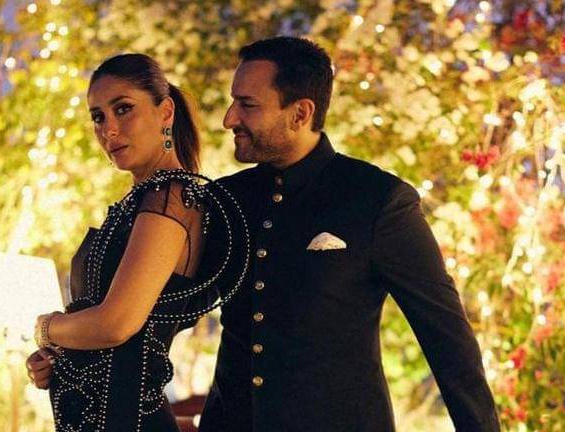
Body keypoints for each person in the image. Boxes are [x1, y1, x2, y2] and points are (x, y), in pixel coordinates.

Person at [197, 37, 501, 432]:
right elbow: (172, 307)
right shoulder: (225, 199)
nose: (229, 119)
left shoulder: (377, 199)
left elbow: (447, 339)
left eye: (247, 105)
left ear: (300, 113)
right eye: (233, 102)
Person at [25, 53, 248, 432]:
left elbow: (116, 323)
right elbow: (106, 330)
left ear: (165, 112)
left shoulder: (171, 198)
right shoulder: (142, 202)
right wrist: (58, 356)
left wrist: (46, 327)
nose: (109, 129)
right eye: (98, 117)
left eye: (123, 109)